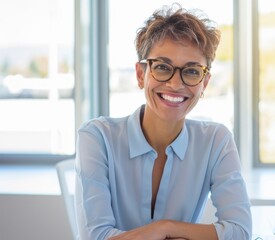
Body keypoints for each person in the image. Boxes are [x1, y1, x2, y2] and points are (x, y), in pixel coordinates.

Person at [75, 3, 252, 240]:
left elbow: (240, 232)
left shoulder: (216, 141)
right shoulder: (97, 138)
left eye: (191, 71)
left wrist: (166, 227)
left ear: (204, 84)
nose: (175, 84)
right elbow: (95, 237)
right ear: (140, 75)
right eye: (162, 67)